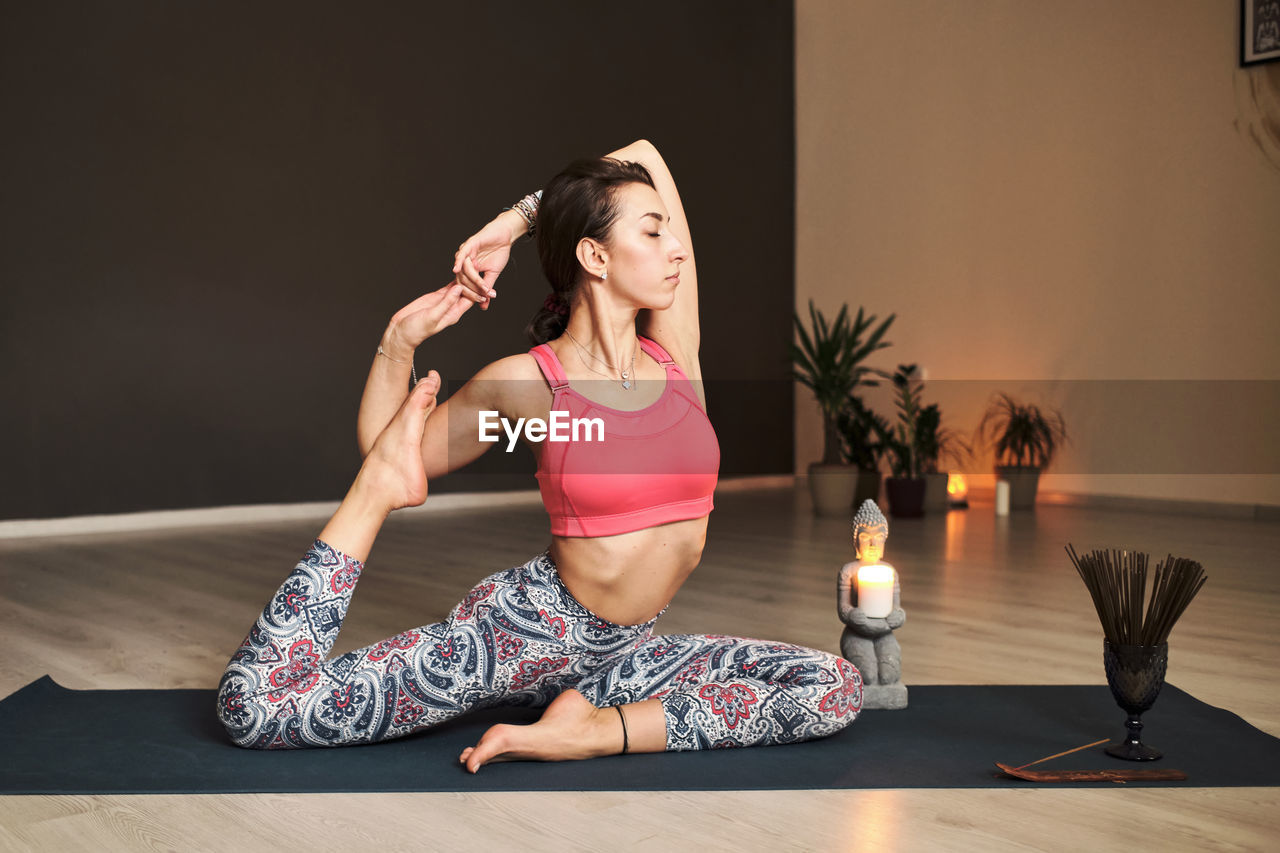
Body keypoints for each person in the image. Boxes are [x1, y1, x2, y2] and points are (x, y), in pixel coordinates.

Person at [217, 140, 862, 771]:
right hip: (524, 636)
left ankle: (584, 732)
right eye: (653, 233)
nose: (678, 250)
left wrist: (514, 222)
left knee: (834, 686)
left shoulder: (674, 351)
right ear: (594, 256)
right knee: (256, 711)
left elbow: (646, 152)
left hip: (625, 656)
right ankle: (578, 722)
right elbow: (391, 453)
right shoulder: (529, 384)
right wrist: (398, 342)